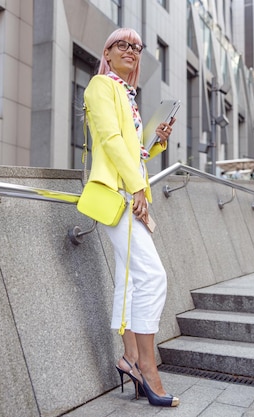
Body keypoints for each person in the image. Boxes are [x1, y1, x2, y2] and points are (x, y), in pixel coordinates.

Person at [83, 28, 179, 408]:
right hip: (116, 194)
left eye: (136, 48)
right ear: (107, 50)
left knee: (129, 281)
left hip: (127, 191)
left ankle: (129, 359)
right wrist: (138, 188)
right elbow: (108, 141)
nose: (131, 51)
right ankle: (147, 367)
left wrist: (156, 140)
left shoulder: (126, 94)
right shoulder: (100, 86)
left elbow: (131, 150)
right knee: (152, 276)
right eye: (122, 45)